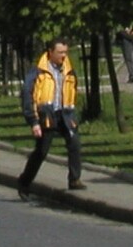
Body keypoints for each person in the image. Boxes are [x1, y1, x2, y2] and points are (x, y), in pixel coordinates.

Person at [17, 39, 84, 199]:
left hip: (65, 114)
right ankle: (24, 183)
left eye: (65, 52)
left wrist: (72, 111)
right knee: (41, 151)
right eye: (60, 52)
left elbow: (72, 89)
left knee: (74, 143)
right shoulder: (38, 71)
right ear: (50, 52)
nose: (64, 56)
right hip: (46, 115)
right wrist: (34, 122)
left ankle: (74, 179)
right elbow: (28, 95)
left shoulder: (68, 69)